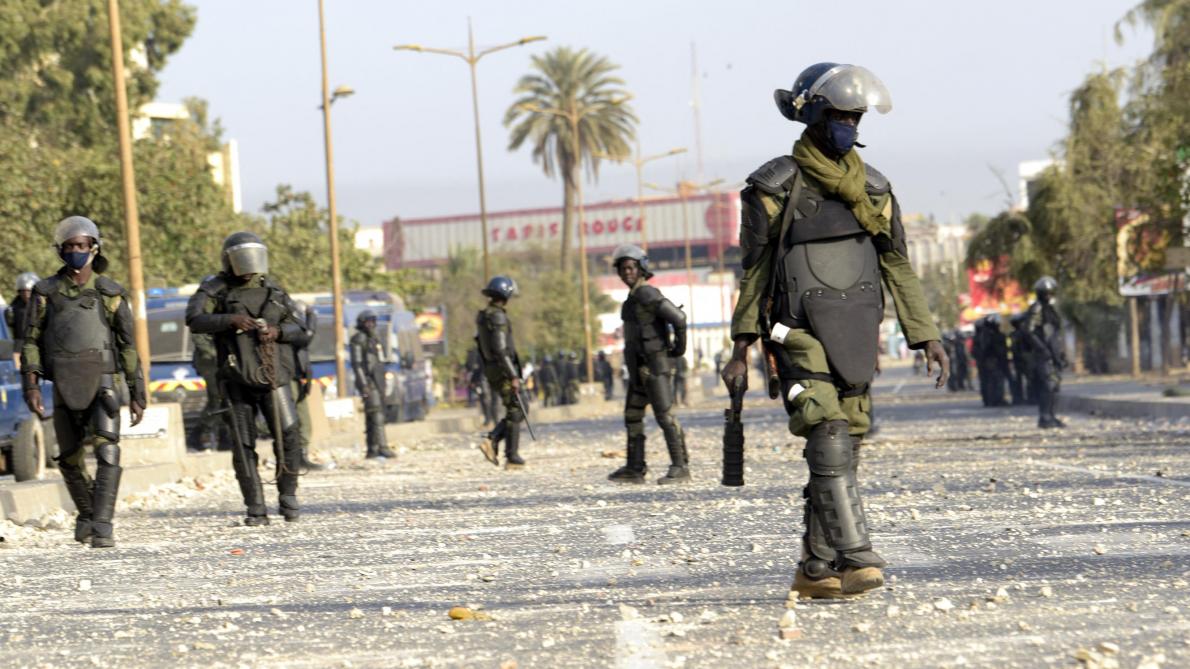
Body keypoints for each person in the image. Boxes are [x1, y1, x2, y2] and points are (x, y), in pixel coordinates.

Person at [721, 64, 948, 598]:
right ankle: (857, 553)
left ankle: (816, 566)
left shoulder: (874, 188)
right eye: (840, 114)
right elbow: (754, 271)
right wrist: (740, 348)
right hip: (794, 330)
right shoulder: (771, 187)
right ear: (815, 115)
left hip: (855, 332)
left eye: (855, 116)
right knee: (826, 430)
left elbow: (897, 266)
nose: (848, 124)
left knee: (847, 444)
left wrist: (926, 334)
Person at [21, 216, 144, 547]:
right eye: (70, 246)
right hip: (63, 381)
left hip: (103, 380)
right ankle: (87, 514)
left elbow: (127, 346)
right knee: (70, 457)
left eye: (82, 245)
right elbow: (30, 341)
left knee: (108, 451)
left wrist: (137, 392)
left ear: (93, 248)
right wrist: (31, 384)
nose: (76, 251)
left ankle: (102, 525)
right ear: (61, 250)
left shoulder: (110, 292)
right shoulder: (45, 293)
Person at [186, 231, 308, 525]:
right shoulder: (215, 289)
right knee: (242, 443)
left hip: (274, 376)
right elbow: (195, 319)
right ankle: (255, 507)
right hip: (235, 376)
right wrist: (230, 320)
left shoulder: (274, 291)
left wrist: (278, 332)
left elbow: (300, 330)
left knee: (288, 434)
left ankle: (288, 497)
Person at [608, 244, 690, 485]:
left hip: (655, 366)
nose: (626, 273)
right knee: (632, 416)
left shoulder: (647, 294)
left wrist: (679, 349)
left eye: (631, 268)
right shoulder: (633, 298)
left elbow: (679, 318)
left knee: (665, 416)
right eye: (622, 269)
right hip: (638, 370)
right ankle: (635, 467)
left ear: (642, 268)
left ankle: (680, 466)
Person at [475, 276, 527, 469]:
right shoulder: (497, 316)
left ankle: (497, 443)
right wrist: (513, 375)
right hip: (502, 370)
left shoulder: (485, 315)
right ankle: (509, 453)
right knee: (517, 407)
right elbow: (500, 349)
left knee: (518, 408)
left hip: (494, 369)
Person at [351, 310, 397, 460]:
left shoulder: (373, 338)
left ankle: (373, 448)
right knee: (376, 413)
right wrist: (364, 385)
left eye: (372, 321)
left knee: (374, 413)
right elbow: (357, 365)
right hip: (368, 381)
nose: (371, 324)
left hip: (377, 380)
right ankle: (382, 447)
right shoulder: (358, 339)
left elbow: (378, 360)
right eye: (367, 322)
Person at [1025, 276, 1067, 428]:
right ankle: (1044, 417)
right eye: (1046, 293)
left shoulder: (1051, 309)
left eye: (1051, 293)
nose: (1048, 296)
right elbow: (1029, 331)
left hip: (1053, 352)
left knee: (1054, 386)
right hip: (1043, 354)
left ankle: (1051, 415)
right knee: (1047, 385)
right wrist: (1042, 348)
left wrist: (1061, 354)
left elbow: (1056, 334)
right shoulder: (1037, 308)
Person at [292, 301, 326, 469]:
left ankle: (301, 454)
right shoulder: (291, 329)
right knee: (295, 418)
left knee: (303, 417)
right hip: (289, 376)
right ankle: (296, 456)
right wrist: (312, 316)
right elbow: (307, 336)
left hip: (298, 376)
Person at [5, 272, 39, 355]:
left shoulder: (41, 307)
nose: (26, 294)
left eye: (29, 291)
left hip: (36, 344)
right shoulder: (12, 308)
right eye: (23, 291)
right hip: (18, 344)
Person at [1009, 313, 1035, 405]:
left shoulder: (1013, 335)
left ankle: (1021, 398)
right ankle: (1030, 398)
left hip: (1019, 359)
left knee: (1021, 379)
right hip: (1024, 359)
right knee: (1029, 378)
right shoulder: (1022, 334)